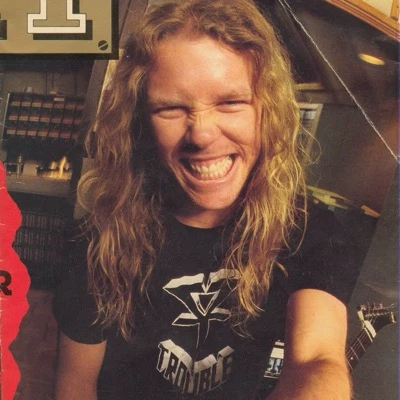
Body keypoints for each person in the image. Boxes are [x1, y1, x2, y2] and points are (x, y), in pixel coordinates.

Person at [53, 0, 359, 398]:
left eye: (230, 102)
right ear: (140, 122)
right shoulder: (98, 240)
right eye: (170, 108)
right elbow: (76, 382)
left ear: (268, 109)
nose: (201, 134)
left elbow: (317, 360)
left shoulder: (307, 230)